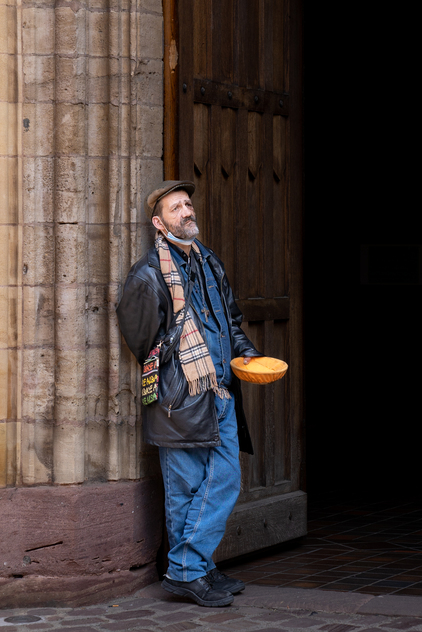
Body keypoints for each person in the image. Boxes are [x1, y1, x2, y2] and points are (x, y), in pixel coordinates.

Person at [116, 180, 263, 607]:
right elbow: (142, 341)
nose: (187, 211)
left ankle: (192, 567)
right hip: (178, 399)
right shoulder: (146, 275)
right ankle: (189, 570)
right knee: (185, 489)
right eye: (176, 208)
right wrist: (179, 371)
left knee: (221, 478)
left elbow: (230, 321)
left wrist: (247, 355)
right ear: (159, 224)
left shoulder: (209, 262)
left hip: (220, 391)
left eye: (188, 203)